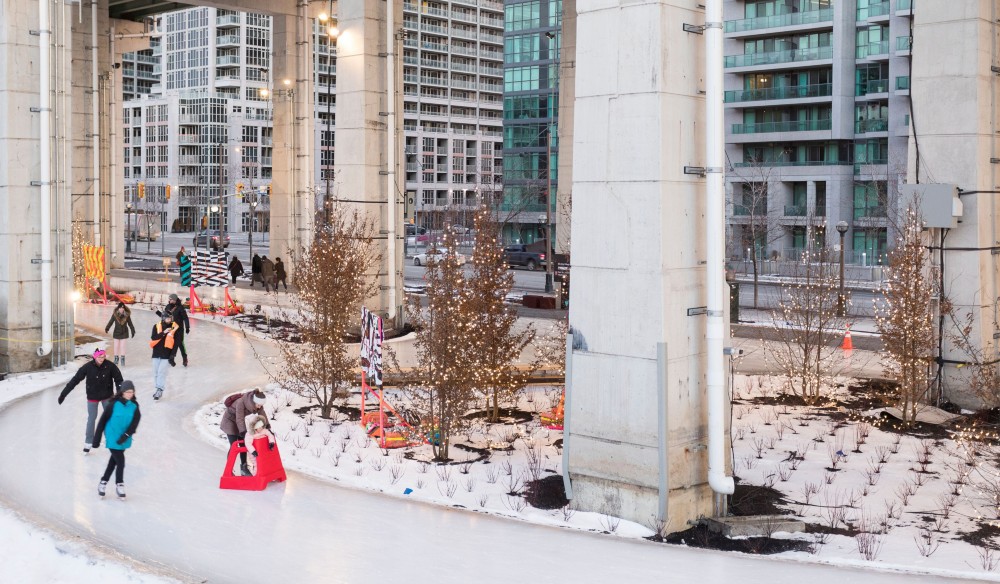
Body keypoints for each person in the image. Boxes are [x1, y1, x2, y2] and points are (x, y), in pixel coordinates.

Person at [57, 348, 123, 453]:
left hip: (107, 396)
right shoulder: (87, 367)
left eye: (103, 357)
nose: (102, 359)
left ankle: (109, 439)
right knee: (92, 418)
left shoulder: (110, 366)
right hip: (93, 397)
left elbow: (118, 379)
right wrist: (63, 394)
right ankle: (88, 442)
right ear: (95, 357)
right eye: (100, 357)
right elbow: (75, 380)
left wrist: (120, 394)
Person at [93, 380, 141, 499]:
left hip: (125, 437)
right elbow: (102, 421)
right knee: (120, 461)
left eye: (132, 392)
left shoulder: (135, 406)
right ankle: (120, 484)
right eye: (127, 392)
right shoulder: (113, 404)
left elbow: (135, 423)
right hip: (112, 436)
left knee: (113, 462)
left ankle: (103, 482)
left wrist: (126, 435)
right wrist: (97, 438)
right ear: (122, 392)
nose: (130, 394)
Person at [220, 389, 267, 476]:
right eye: (258, 405)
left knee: (244, 444)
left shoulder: (257, 404)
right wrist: (242, 431)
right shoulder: (241, 402)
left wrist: (267, 426)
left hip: (239, 422)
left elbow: (262, 414)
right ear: (254, 402)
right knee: (234, 445)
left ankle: (244, 468)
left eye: (261, 405)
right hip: (229, 421)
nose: (259, 407)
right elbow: (239, 418)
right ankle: (229, 469)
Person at [150, 312, 178, 401]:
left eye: (171, 318)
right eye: (168, 318)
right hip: (156, 353)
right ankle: (157, 388)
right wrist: (163, 332)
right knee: (155, 373)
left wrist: (172, 355)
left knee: (161, 373)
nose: (170, 320)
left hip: (166, 355)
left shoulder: (174, 328)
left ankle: (160, 389)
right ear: (163, 318)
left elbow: (176, 343)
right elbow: (153, 337)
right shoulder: (156, 326)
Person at [162, 293, 190, 367]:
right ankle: (171, 358)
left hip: (179, 329)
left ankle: (185, 358)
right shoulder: (168, 307)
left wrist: (187, 327)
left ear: (174, 300)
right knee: (170, 343)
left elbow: (185, 318)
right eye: (169, 299)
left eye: (170, 299)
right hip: (171, 328)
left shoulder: (180, 308)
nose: (169, 300)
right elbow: (164, 317)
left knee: (180, 344)